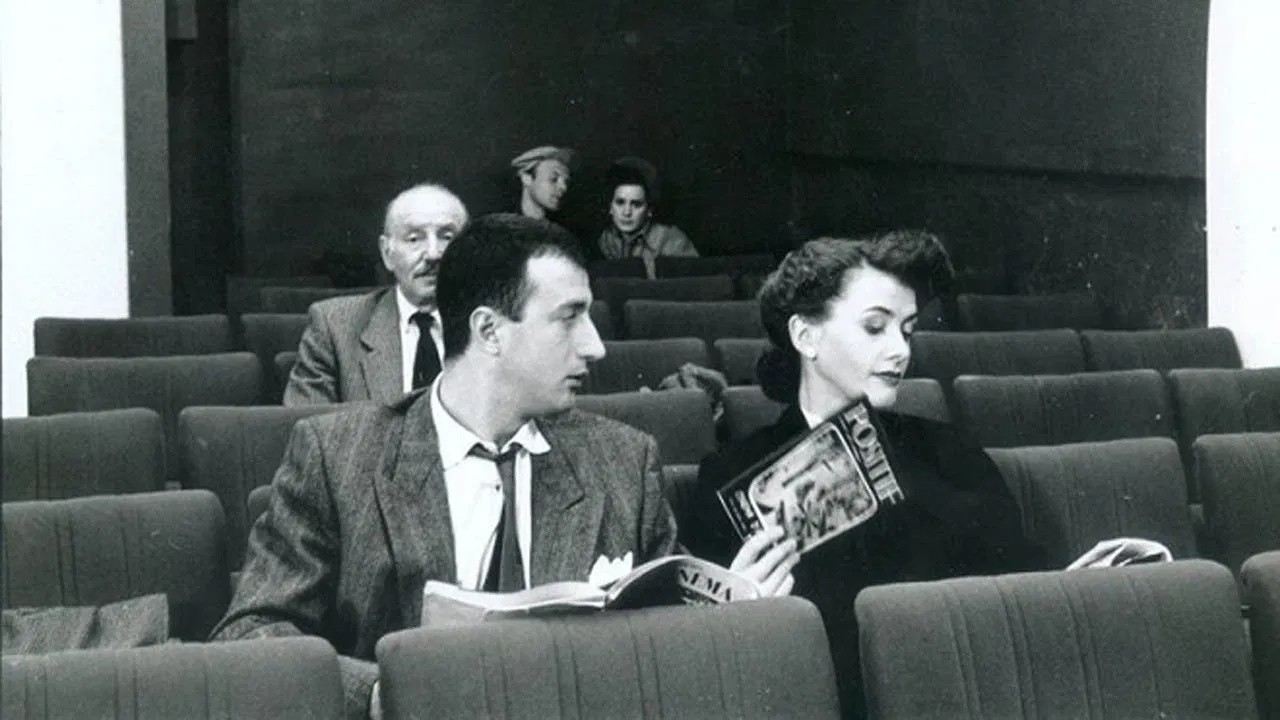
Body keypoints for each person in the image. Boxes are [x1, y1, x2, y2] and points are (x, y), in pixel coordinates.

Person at [214, 214, 799, 719]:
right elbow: (251, 633)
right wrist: (387, 692)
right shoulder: (337, 454)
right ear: (489, 331)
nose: (595, 346)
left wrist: (725, 614)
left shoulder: (624, 461)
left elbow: (660, 642)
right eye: (569, 317)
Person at [683, 231, 1043, 718]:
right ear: (805, 336)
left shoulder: (951, 451)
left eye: (907, 330)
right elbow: (711, 664)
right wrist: (735, 610)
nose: (900, 351)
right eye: (876, 327)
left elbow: (1023, 588)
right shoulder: (732, 476)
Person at [283, 184, 467, 406]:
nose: (433, 254)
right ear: (387, 253)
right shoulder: (335, 326)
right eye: (414, 239)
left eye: (447, 237)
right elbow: (307, 422)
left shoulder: (495, 325)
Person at [597, 156, 697, 279]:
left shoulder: (673, 241)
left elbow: (694, 285)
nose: (627, 212)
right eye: (620, 202)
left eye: (636, 204)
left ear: (649, 210)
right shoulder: (607, 239)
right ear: (610, 207)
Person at [512, 145, 574, 221]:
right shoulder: (502, 225)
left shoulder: (557, 228)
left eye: (566, 182)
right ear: (526, 178)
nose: (564, 187)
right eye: (553, 179)